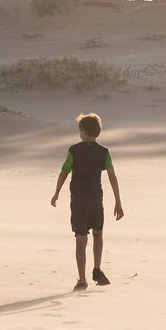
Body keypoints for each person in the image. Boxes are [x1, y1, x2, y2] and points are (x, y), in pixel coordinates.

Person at [50, 112, 123, 289]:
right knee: (98, 233)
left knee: (81, 239)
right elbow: (113, 177)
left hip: (78, 200)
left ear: (83, 131)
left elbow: (64, 173)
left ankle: (82, 280)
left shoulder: (74, 150)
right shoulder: (104, 152)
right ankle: (97, 269)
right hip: (96, 199)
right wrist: (118, 202)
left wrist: (56, 193)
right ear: (97, 132)